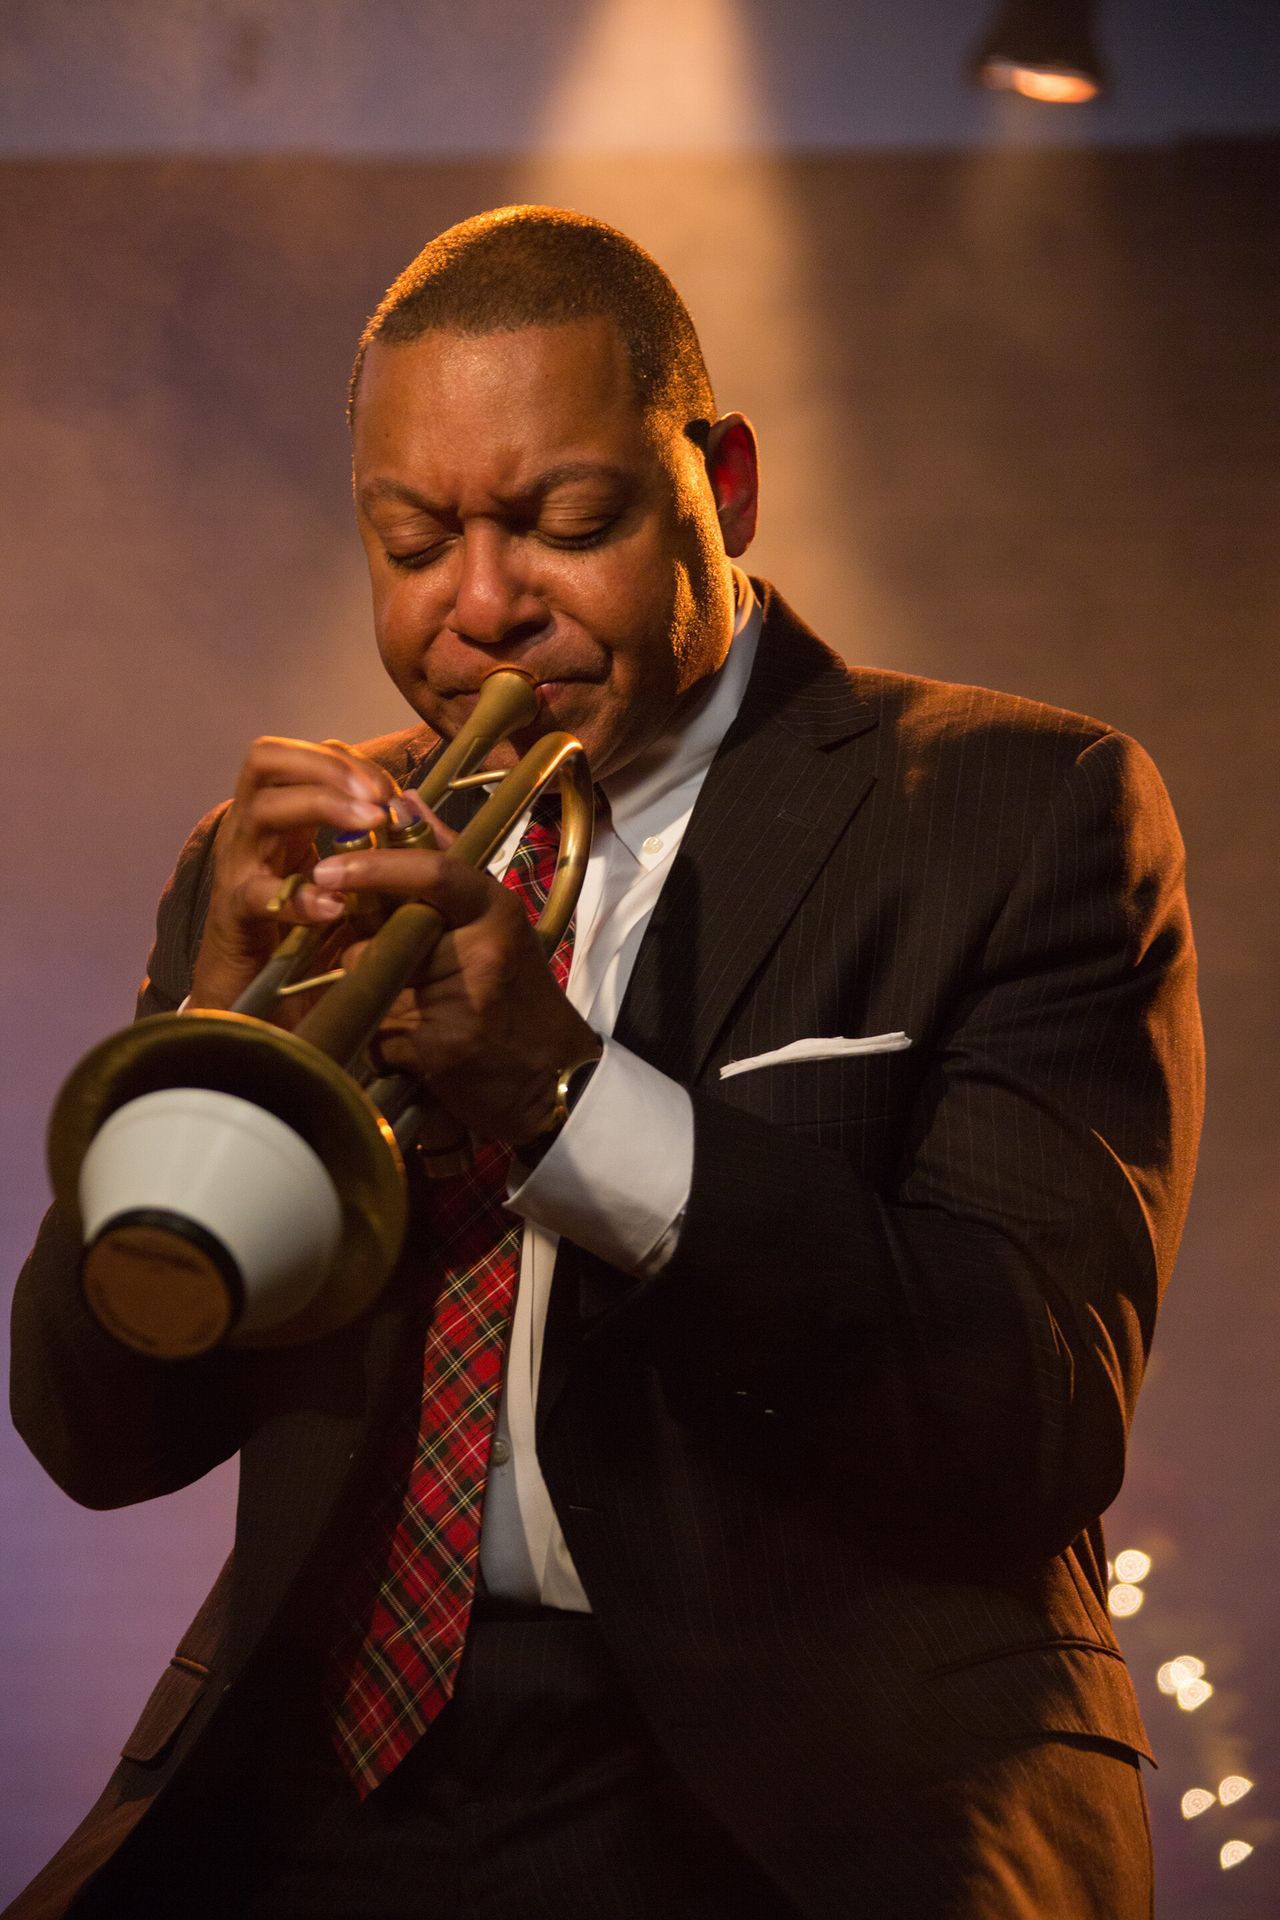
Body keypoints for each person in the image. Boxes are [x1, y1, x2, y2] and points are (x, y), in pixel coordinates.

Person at [7, 206, 1202, 1919]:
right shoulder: (270, 860)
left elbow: (1032, 1413)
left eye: (567, 523)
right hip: (325, 1771)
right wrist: (213, 1047)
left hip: (808, 1786)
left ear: (725, 486)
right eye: (413, 543)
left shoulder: (1020, 810)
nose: (481, 608)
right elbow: (92, 1432)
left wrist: (563, 1094)